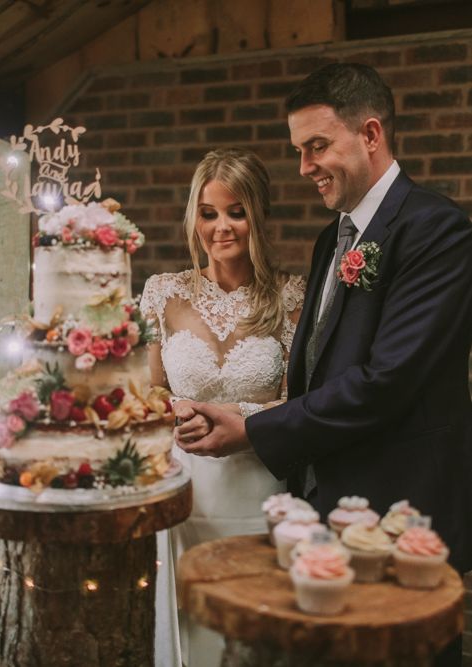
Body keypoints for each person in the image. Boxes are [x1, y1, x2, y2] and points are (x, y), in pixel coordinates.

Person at [175, 64, 472, 665]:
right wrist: (247, 408)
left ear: (370, 135)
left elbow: (387, 382)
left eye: (316, 147)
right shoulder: (330, 240)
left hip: (398, 513)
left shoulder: (436, 230)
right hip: (323, 507)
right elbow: (312, 374)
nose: (303, 167)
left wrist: (254, 429)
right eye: (298, 151)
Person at [140, 148, 305, 667]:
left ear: (258, 214)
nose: (222, 227)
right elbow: (146, 393)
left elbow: (300, 401)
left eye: (236, 211)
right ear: (194, 216)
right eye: (208, 213)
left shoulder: (292, 296)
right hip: (184, 489)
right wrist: (174, 410)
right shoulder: (162, 293)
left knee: (252, 629)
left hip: (259, 488)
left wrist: (243, 418)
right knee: (188, 624)